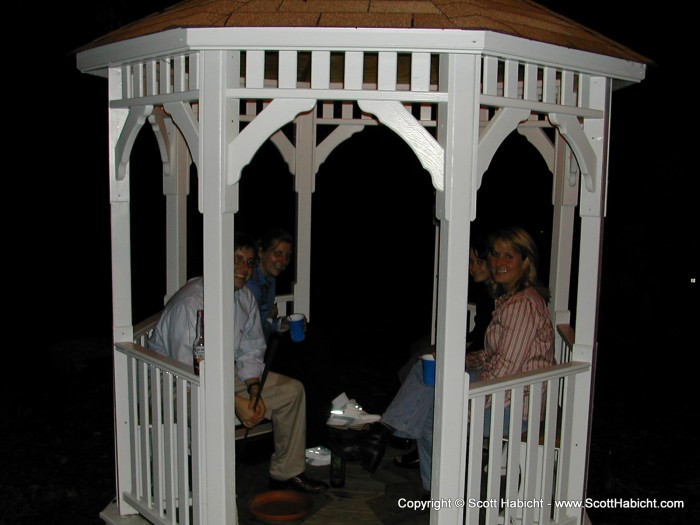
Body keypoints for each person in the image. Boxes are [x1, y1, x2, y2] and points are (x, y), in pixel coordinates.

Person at [335, 226, 555, 494]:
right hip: (503, 390)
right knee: (429, 368)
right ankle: (382, 435)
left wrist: (463, 405)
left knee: (435, 415)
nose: (499, 263)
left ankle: (437, 491)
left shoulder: (522, 306)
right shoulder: (510, 300)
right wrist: (459, 360)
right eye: (496, 255)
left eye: (509, 257)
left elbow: (503, 373)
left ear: (526, 261)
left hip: (515, 404)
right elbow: (497, 355)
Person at [148, 231, 328, 494]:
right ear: (217, 258)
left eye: (249, 262)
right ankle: (211, 491)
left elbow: (251, 349)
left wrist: (254, 388)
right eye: (236, 259)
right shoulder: (191, 305)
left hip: (218, 376)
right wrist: (234, 402)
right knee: (216, 407)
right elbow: (190, 373)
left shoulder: (243, 297)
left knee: (292, 391)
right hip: (176, 385)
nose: (243, 269)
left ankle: (286, 474)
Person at [393, 237, 495, 468]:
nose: (473, 268)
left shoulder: (499, 297)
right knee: (419, 347)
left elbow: (488, 342)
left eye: (479, 262)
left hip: (478, 356)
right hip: (472, 345)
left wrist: (457, 348)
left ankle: (409, 431)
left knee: (421, 363)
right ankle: (413, 435)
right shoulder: (486, 292)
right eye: (471, 262)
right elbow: (478, 332)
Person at [245, 228, 295, 341]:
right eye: (278, 254)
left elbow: (262, 323)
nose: (283, 261)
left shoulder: (270, 279)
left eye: (288, 256)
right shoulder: (252, 286)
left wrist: (281, 323)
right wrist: (270, 319)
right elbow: (254, 337)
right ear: (261, 252)